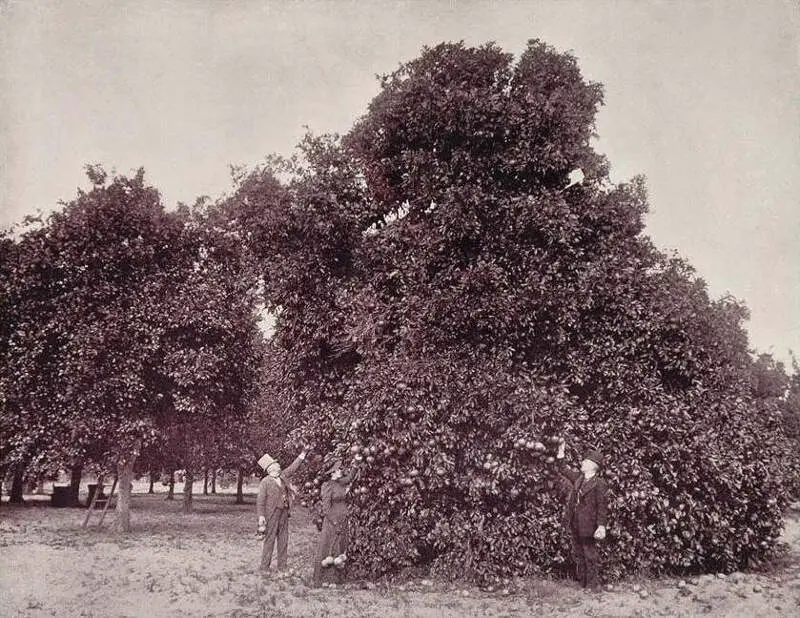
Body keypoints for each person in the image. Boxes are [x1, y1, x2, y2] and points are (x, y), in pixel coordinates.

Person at [555, 438, 609, 592]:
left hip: (589, 525)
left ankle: (592, 585)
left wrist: (601, 526)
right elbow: (563, 469)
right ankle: (583, 582)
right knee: (579, 552)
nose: (582, 463)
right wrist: (561, 451)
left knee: (589, 554)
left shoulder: (599, 484)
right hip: (576, 522)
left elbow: (602, 507)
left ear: (593, 465)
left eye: (585, 461)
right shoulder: (579, 478)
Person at [256, 446, 310, 574]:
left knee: (283, 539)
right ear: (270, 469)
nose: (278, 467)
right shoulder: (265, 482)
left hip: (284, 512)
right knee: (269, 540)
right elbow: (260, 500)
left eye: (277, 465)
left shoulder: (283, 476)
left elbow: (293, 467)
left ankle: (282, 566)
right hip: (272, 514)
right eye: (275, 465)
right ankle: (264, 567)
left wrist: (303, 453)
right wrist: (261, 516)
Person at [312, 456, 351, 587]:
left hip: (343, 518)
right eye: (339, 469)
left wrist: (356, 464)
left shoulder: (341, 482)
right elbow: (326, 508)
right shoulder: (327, 485)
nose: (341, 471)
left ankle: (336, 579)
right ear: (333, 472)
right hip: (332, 521)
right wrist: (334, 522)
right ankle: (324, 578)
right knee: (329, 547)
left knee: (339, 546)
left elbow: (351, 477)